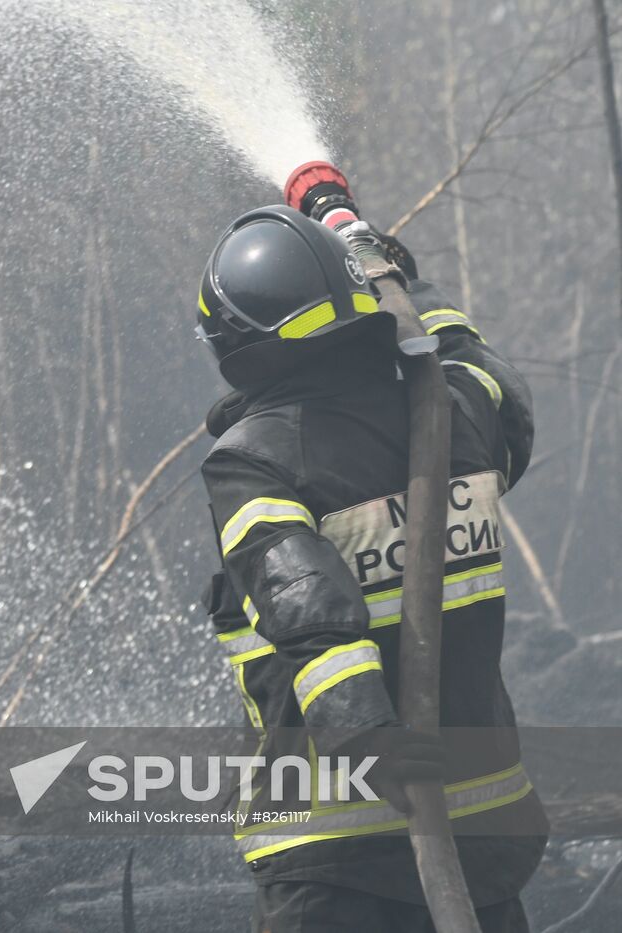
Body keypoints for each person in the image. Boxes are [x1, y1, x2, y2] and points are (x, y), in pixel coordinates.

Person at [195, 205, 547, 932]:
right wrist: (405, 282)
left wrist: (368, 739)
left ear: (235, 343)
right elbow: (485, 374)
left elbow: (307, 605)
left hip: (338, 852)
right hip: (481, 840)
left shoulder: (253, 461)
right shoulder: (453, 418)